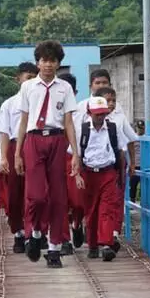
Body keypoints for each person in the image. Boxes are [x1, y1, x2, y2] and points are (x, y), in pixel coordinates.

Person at [15, 41, 81, 268]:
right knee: (37, 195)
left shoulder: (65, 88)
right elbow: (23, 121)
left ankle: (54, 248)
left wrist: (75, 154)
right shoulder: (28, 88)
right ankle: (34, 232)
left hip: (57, 138)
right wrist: (17, 153)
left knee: (58, 196)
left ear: (58, 63)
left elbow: (69, 122)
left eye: (52, 60)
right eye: (44, 60)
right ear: (37, 62)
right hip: (33, 139)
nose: (48, 65)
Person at [0, 62, 38, 252]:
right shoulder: (9, 104)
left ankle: (32, 232)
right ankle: (18, 232)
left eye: (34, 79)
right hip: (13, 147)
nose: (31, 83)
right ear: (18, 79)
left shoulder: (41, 103)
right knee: (14, 194)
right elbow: (3, 132)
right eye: (28, 78)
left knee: (35, 192)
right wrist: (3, 158)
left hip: (34, 146)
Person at [74, 93, 125, 262]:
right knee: (91, 210)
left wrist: (121, 173)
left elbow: (121, 150)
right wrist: (77, 175)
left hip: (108, 172)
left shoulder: (113, 128)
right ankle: (93, 244)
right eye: (97, 114)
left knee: (106, 209)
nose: (100, 117)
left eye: (103, 113)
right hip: (88, 173)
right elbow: (76, 156)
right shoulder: (81, 129)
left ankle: (106, 244)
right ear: (89, 113)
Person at [58, 72, 82, 256]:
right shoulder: (50, 110)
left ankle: (77, 222)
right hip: (56, 158)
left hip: (76, 158)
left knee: (78, 200)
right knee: (59, 200)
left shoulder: (83, 111)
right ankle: (64, 239)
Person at [129, 119, 146, 203]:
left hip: (145, 164)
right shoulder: (132, 137)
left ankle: (144, 202)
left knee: (145, 185)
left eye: (142, 128)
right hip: (135, 164)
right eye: (139, 127)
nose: (140, 129)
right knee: (133, 184)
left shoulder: (148, 138)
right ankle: (132, 201)